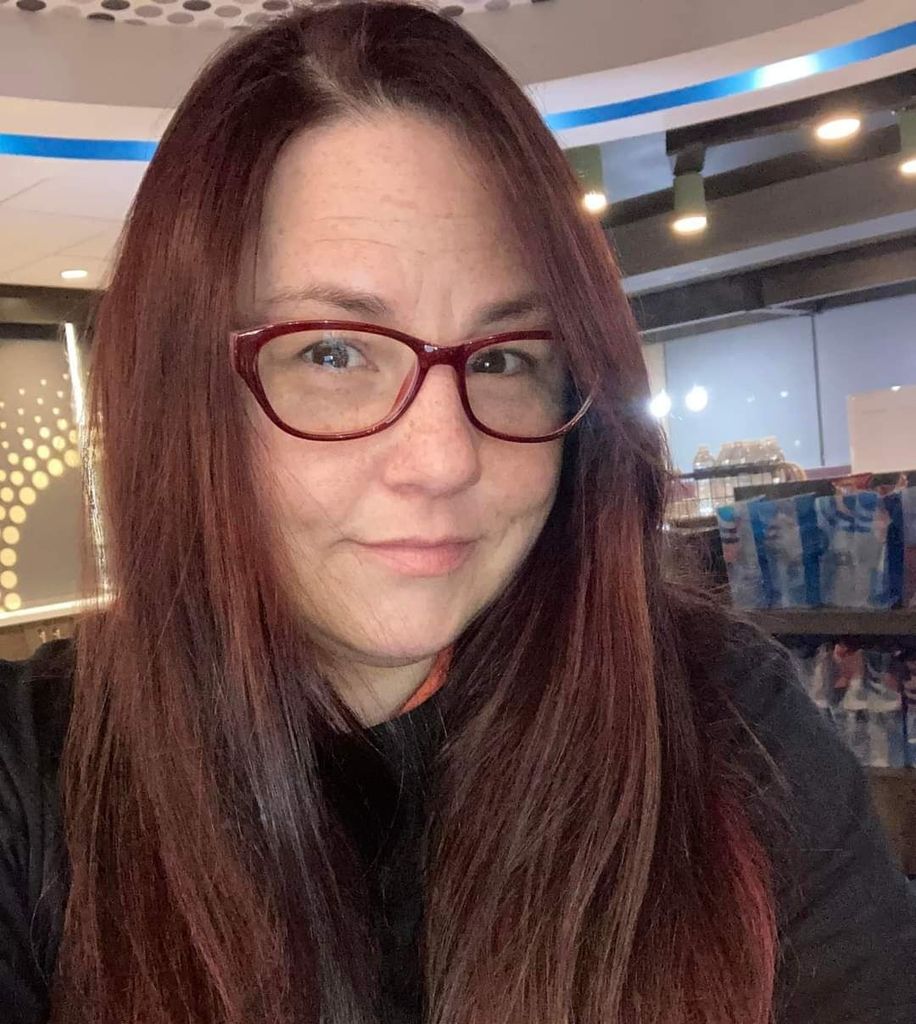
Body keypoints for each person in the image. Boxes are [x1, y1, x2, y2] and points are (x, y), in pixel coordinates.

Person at [1, 4, 914, 1023]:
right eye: (333, 352)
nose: (444, 459)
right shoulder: (32, 781)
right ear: (179, 395)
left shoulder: (720, 720)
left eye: (504, 358)